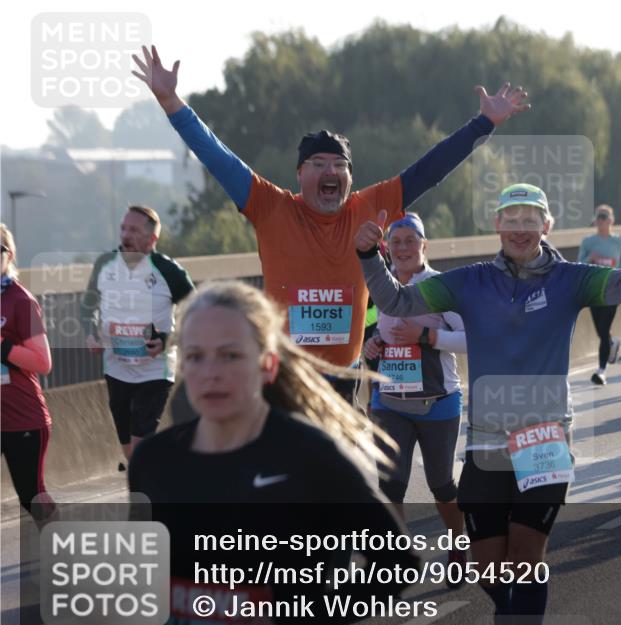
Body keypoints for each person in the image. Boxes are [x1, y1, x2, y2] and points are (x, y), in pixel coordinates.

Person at [357, 181, 621, 625]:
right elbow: (397, 303)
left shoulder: (571, 279)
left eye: (529, 219)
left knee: (527, 560)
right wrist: (369, 255)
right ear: (497, 225)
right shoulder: (468, 282)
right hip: (486, 442)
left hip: (545, 438)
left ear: (546, 225)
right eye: (510, 219)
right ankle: (507, 621)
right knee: (490, 570)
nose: (519, 229)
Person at [132, 44, 529, 404]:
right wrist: (171, 102)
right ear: (300, 174)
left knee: (335, 479)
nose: (330, 172)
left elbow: (431, 169)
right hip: (283, 374)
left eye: (339, 166)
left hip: (344, 375)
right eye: (319, 165)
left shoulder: (369, 205)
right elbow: (216, 155)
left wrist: (483, 124)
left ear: (350, 177)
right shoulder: (270, 205)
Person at [129, 281, 419, 625]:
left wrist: (297, 622)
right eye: (196, 356)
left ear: (267, 365)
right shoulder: (153, 461)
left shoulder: (311, 455)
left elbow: (397, 564)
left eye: (231, 356)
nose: (211, 373)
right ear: (181, 365)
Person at [363, 213, 468, 583]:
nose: (403, 248)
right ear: (387, 248)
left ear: (424, 246)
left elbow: (471, 340)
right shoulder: (377, 285)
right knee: (390, 485)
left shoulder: (442, 286)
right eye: (396, 242)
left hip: (438, 401)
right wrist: (371, 343)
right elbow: (367, 332)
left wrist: (425, 336)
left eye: (411, 241)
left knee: (442, 486)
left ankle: (458, 542)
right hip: (389, 401)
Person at [80, 205, 195, 468]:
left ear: (152, 239)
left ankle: (146, 504)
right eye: (123, 228)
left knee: (140, 447)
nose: (126, 235)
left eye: (134, 230)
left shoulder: (169, 271)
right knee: (130, 452)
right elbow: (88, 307)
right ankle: (163, 475)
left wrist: (166, 340)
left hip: (156, 370)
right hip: (116, 368)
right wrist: (91, 333)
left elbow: (195, 313)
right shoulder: (104, 264)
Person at [1, 224, 56, 522]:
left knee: (31, 497)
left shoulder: (22, 301)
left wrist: (3, 348)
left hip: (23, 418)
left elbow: (43, 362)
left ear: (8, 256)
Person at [578, 204, 621, 384]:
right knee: (601, 331)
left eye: (604, 216)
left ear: (611, 220)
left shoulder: (620, 242)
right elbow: (579, 266)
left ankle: (601, 371)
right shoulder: (588, 242)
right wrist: (589, 259)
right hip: (593, 291)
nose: (600, 220)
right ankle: (611, 343)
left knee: (604, 326)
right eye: (598, 217)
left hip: (611, 291)